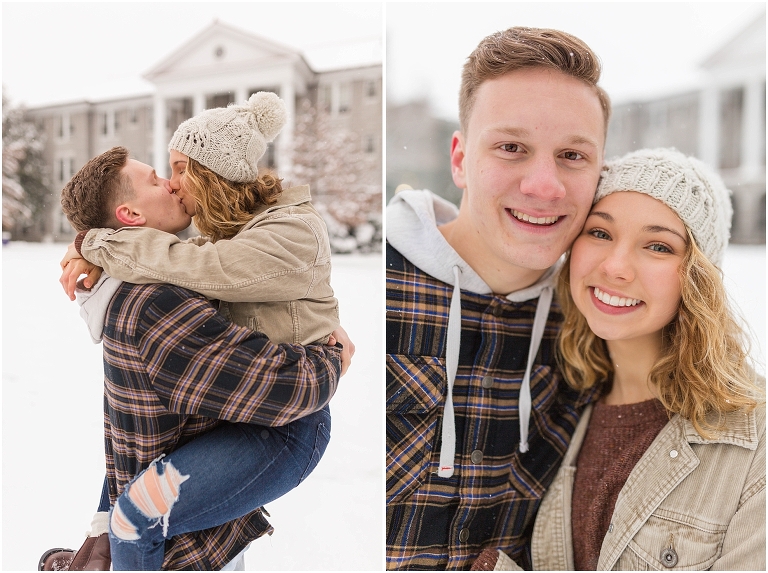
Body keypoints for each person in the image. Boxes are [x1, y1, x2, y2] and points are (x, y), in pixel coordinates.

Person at [47, 93, 349, 571]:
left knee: (139, 514)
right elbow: (130, 429)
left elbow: (208, 265)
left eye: (180, 168)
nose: (171, 183)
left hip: (285, 416)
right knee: (139, 496)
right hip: (249, 407)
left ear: (211, 173)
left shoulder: (283, 233)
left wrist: (96, 240)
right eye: (160, 174)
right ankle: (103, 550)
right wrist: (93, 239)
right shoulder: (210, 249)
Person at [474, 148, 765, 571]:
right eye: (600, 233)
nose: (616, 267)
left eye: (658, 246)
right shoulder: (557, 402)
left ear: (698, 276)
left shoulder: (756, 446)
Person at [386, 27, 610, 569]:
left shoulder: (593, 322)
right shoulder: (378, 288)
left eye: (572, 155)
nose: (544, 185)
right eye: (511, 148)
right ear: (460, 160)